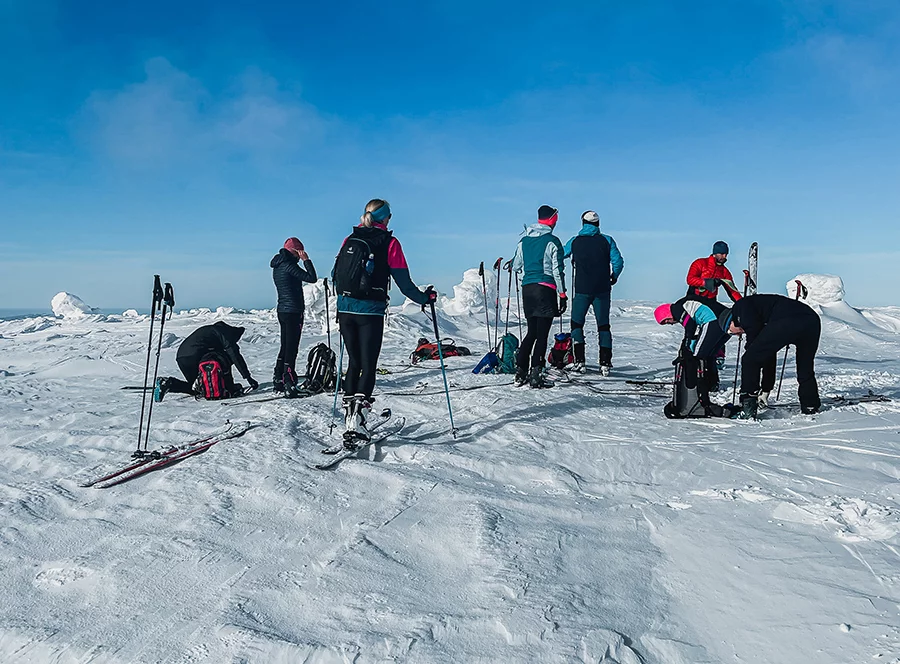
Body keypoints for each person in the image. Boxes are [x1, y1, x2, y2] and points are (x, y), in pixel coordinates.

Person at [333, 199, 436, 446]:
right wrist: (426, 298)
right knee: (368, 365)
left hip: (345, 309)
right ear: (385, 218)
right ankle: (359, 419)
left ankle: (350, 417)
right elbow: (404, 283)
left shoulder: (350, 239)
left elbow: (337, 274)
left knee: (354, 361)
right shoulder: (390, 243)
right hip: (371, 311)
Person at [728, 294, 822, 419]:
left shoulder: (740, 308)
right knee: (805, 366)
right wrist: (766, 389)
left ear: (730, 322)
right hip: (811, 320)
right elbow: (767, 354)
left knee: (749, 359)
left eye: (730, 331)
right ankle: (810, 405)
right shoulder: (755, 310)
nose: (737, 334)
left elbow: (754, 348)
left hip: (789, 320)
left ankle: (748, 406)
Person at [511, 205, 567, 388]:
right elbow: (558, 271)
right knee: (542, 335)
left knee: (532, 332)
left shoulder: (523, 241)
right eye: (556, 218)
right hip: (545, 289)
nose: (557, 221)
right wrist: (562, 294)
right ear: (551, 219)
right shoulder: (552, 241)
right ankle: (536, 373)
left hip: (528, 289)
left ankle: (520, 371)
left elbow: (516, 266)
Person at [563, 210, 624, 374]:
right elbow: (618, 261)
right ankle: (605, 363)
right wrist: (613, 277)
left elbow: (561, 253)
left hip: (582, 288)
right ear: (598, 224)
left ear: (583, 223)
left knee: (577, 324)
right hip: (602, 289)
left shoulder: (575, 241)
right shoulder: (607, 240)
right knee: (603, 325)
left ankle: (579, 361)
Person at [154, 321, 258, 401]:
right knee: (223, 359)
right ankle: (228, 388)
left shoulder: (212, 331)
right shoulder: (225, 335)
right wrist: (248, 378)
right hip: (193, 355)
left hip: (182, 357)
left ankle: (169, 383)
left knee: (199, 388)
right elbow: (235, 357)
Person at [271, 237, 317, 395]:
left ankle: (279, 379)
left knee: (285, 346)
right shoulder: (289, 265)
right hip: (293, 312)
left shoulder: (277, 265)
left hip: (283, 310)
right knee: (291, 348)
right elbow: (312, 278)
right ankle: (289, 383)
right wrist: (306, 260)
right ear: (296, 252)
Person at [654, 296, 731, 391]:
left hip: (713, 320)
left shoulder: (676, 308)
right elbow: (693, 329)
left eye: (666, 320)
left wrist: (685, 345)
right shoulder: (684, 306)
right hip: (726, 321)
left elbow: (690, 326)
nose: (669, 323)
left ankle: (696, 383)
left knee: (698, 354)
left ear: (666, 313)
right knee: (710, 354)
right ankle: (712, 383)